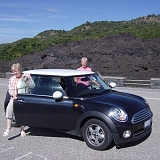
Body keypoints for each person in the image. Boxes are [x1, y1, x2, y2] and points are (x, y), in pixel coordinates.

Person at [3, 63, 34, 137]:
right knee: (9, 110)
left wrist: (26, 80)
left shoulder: (26, 76)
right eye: (13, 71)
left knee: (22, 113)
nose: (15, 73)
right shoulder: (12, 79)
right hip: (14, 97)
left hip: (24, 97)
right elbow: (10, 89)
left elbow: (32, 86)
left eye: (16, 71)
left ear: (20, 70)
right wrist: (13, 95)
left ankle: (22, 130)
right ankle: (8, 127)